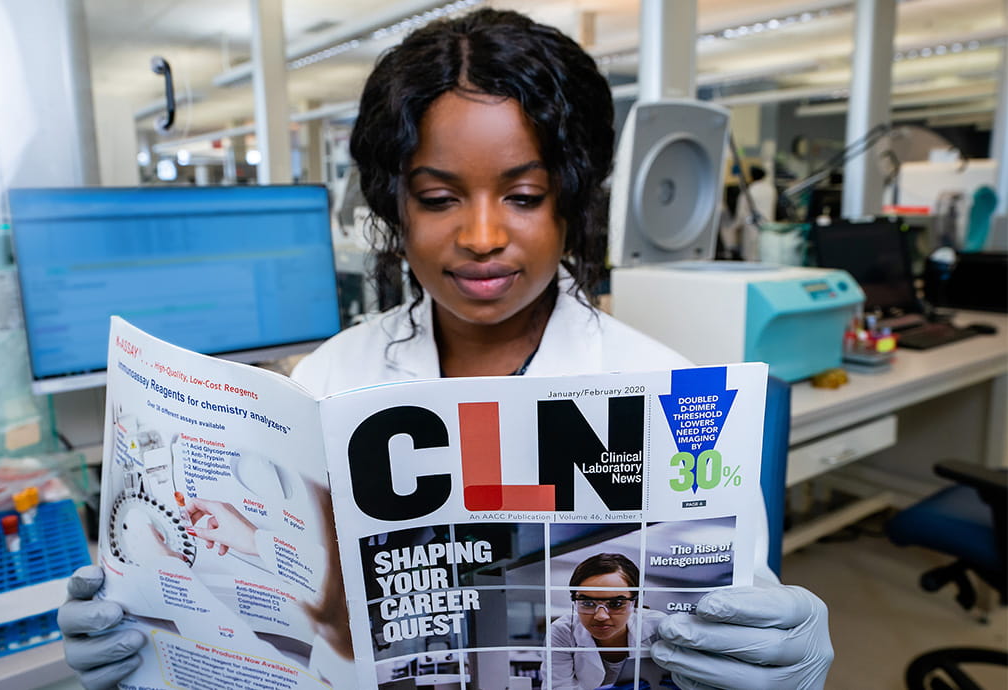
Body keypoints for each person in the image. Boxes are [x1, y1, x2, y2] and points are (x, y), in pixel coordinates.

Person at [58, 9, 833, 690]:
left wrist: (768, 661)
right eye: (437, 198)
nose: (483, 237)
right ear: (393, 204)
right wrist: (159, 642)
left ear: (572, 196)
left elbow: (726, 617)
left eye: (524, 196)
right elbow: (288, 613)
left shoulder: (672, 392)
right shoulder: (328, 382)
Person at [544, 553, 665, 690]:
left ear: (636, 602)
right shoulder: (562, 632)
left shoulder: (658, 628)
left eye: (616, 604)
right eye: (588, 603)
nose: (601, 616)